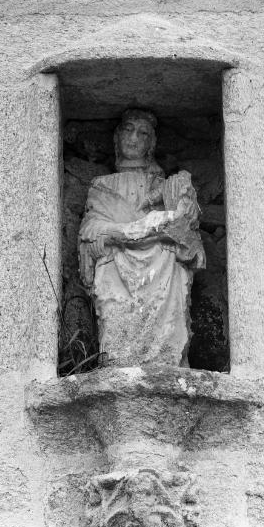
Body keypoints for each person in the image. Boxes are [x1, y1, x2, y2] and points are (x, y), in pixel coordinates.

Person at [78, 109, 205, 367]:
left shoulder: (166, 187)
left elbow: (187, 237)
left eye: (143, 133)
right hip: (116, 259)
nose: (134, 138)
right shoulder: (102, 185)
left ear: (151, 144)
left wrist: (186, 207)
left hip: (162, 265)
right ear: (117, 136)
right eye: (128, 129)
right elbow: (90, 230)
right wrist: (129, 232)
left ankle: (167, 355)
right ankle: (117, 356)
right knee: (111, 262)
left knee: (169, 256)